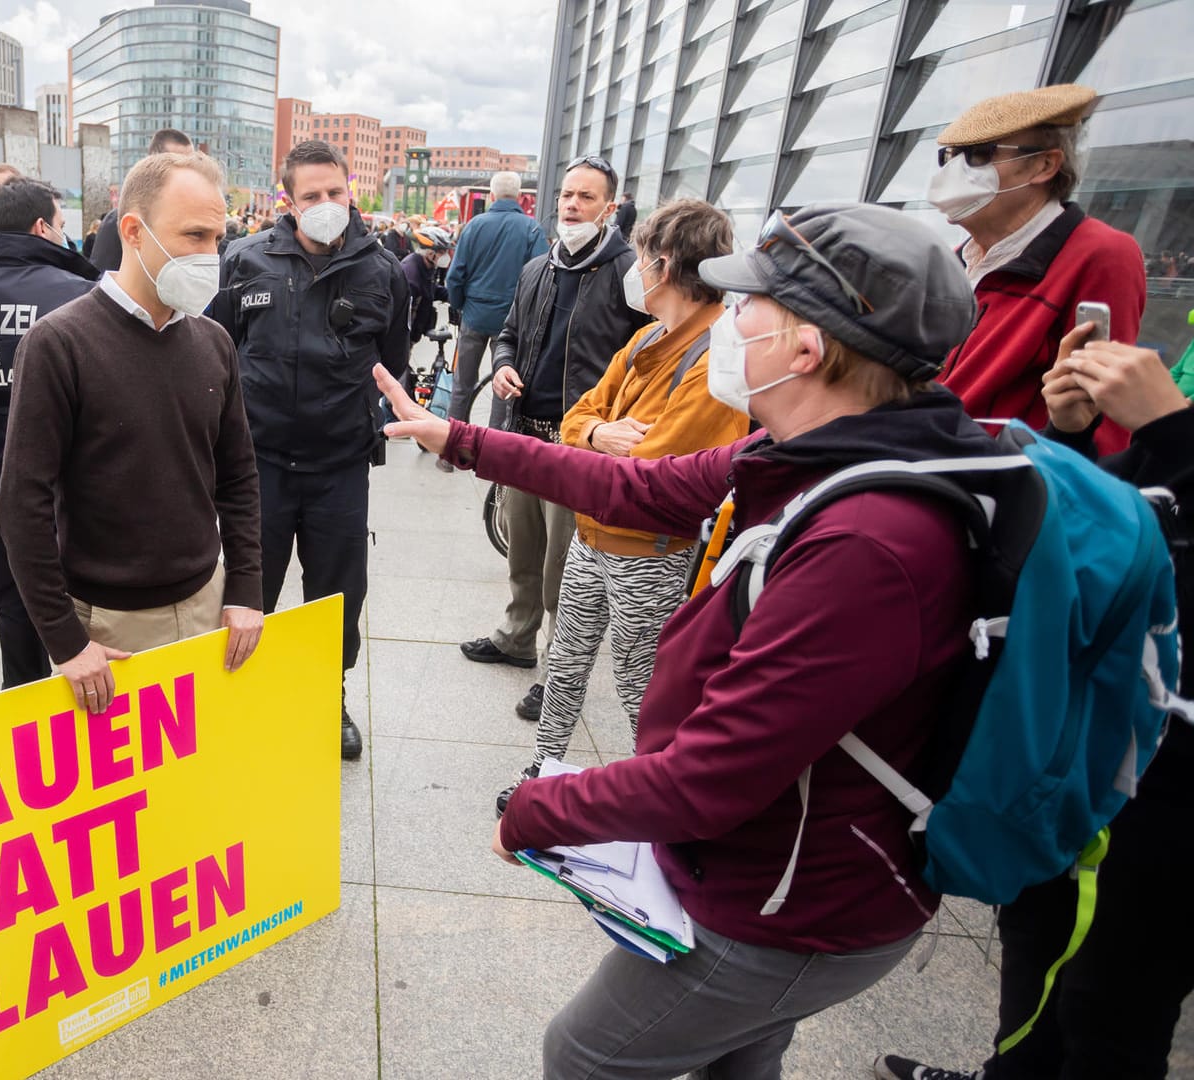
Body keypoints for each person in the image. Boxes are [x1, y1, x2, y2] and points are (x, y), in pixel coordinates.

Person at [380, 200, 994, 1078]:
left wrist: (536, 811)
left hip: (796, 903)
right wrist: (463, 440)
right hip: (780, 870)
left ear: (806, 348)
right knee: (738, 1060)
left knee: (587, 1053)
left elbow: (711, 777)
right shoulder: (819, 453)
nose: (730, 319)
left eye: (750, 306)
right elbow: (636, 489)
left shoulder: (869, 541)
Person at [875, 328, 1194, 1080]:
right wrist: (1074, 436)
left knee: (1111, 1008)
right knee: (1036, 948)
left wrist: (1174, 432)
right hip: (1089, 748)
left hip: (1168, 795)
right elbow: (1121, 522)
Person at [498, 198, 748, 814]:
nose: (634, 270)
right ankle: (545, 766)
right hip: (595, 534)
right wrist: (598, 434)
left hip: (653, 549)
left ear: (662, 265)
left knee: (644, 685)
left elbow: (658, 466)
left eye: (640, 258)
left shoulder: (716, 357)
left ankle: (655, 792)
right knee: (566, 660)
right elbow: (583, 413)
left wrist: (594, 436)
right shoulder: (646, 338)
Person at [0, 151, 264, 715]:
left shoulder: (213, 342)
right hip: (109, 629)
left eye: (218, 237)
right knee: (124, 800)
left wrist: (244, 588)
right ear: (133, 232)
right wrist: (65, 641)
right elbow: (22, 503)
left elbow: (238, 475)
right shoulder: (58, 344)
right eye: (193, 235)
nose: (209, 256)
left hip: (206, 604)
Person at [213, 139, 410, 760]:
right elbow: (216, 351)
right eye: (311, 196)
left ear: (351, 191)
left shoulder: (384, 272)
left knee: (337, 594)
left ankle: (330, 696)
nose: (326, 205)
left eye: (335, 193)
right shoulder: (245, 261)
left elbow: (394, 365)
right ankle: (239, 698)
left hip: (340, 466)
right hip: (259, 464)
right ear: (288, 201)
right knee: (250, 590)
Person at [459, 155, 646, 726]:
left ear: (609, 208)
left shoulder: (628, 275)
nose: (572, 206)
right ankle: (516, 638)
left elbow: (645, 359)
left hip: (580, 447)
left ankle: (558, 671)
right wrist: (504, 364)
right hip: (526, 436)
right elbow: (510, 333)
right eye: (566, 195)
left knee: (565, 568)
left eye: (586, 198)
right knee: (524, 549)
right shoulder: (537, 268)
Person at [0, 177, 99, 688]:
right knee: (81, 594)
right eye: (61, 225)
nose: (64, 235)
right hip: (73, 479)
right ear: (40, 226)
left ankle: (21, 692)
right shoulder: (81, 296)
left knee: (13, 590)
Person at [931, 83, 1145, 456]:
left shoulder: (1100, 254)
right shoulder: (954, 261)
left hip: (998, 490)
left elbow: (1103, 415)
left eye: (979, 155)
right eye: (949, 156)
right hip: (918, 470)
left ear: (1045, 165)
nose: (956, 170)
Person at [443, 169, 548, 428]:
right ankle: (491, 455)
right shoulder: (532, 229)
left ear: (491, 195)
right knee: (504, 386)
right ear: (520, 196)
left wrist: (459, 306)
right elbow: (542, 277)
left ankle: (450, 451)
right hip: (511, 322)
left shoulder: (474, 226)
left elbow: (455, 276)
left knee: (462, 384)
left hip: (475, 316)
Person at [88, 128, 193, 272]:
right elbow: (100, 278)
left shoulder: (193, 217)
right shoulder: (118, 220)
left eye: (191, 164)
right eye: (178, 163)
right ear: (153, 162)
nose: (189, 172)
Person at [404, 224, 453, 343]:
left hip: (413, 334)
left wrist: (454, 297)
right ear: (430, 253)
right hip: (402, 338)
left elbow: (432, 289)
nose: (446, 256)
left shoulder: (426, 267)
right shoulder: (412, 275)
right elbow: (402, 315)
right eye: (442, 252)